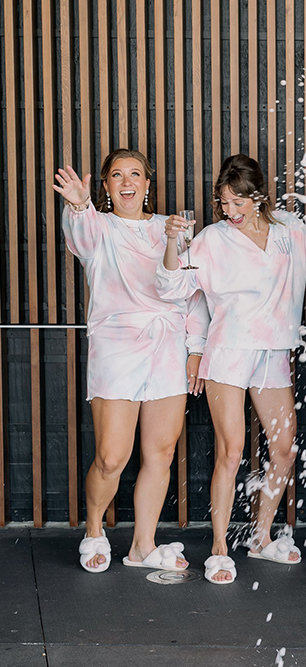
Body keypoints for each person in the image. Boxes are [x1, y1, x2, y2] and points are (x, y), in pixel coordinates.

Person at [156, 154, 306, 584]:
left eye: (238, 202)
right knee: (231, 452)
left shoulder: (290, 233)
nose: (230, 211)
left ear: (259, 197)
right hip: (228, 350)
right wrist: (174, 244)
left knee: (284, 449)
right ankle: (217, 547)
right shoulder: (212, 238)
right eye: (224, 202)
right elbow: (175, 287)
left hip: (273, 353)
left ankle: (262, 537)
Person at [54, 151, 206, 575]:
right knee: (111, 456)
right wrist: (79, 205)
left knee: (160, 452)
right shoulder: (97, 226)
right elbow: (81, 235)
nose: (127, 181)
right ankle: (94, 530)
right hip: (117, 347)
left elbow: (193, 294)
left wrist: (195, 349)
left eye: (135, 174)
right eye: (117, 175)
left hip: (168, 347)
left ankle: (143, 544)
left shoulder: (169, 227)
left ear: (147, 183)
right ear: (105, 185)